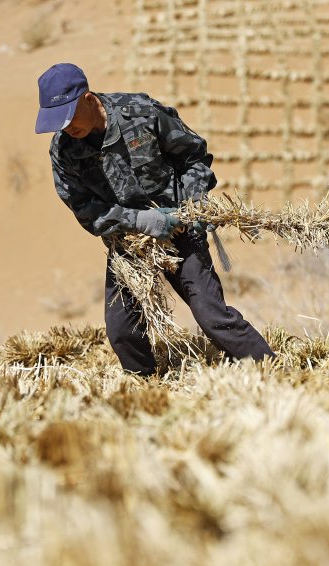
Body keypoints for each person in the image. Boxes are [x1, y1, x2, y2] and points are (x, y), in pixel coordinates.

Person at [35, 63, 275, 375]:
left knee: (212, 317)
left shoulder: (141, 112)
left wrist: (196, 201)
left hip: (181, 231)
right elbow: (85, 209)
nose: (65, 128)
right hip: (129, 243)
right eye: (57, 121)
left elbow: (193, 157)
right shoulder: (63, 150)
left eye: (68, 117)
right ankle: (146, 388)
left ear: (89, 100)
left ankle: (271, 371)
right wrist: (140, 220)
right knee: (122, 331)